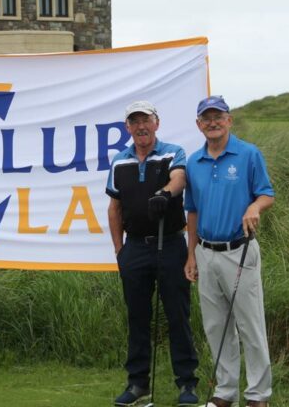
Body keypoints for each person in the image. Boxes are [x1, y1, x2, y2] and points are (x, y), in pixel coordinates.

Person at [106, 101, 200, 407]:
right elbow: (115, 207)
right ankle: (138, 384)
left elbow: (180, 179)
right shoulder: (120, 161)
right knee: (138, 317)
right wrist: (120, 251)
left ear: (156, 123)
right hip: (135, 247)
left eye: (145, 120)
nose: (140, 126)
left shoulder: (173, 152)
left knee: (177, 315)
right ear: (128, 128)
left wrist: (164, 194)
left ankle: (186, 383)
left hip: (170, 243)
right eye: (134, 122)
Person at [183, 95, 275, 407]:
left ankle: (258, 395)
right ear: (198, 124)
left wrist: (254, 206)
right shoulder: (194, 162)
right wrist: (191, 254)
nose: (212, 122)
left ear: (229, 120)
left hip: (240, 250)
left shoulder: (248, 154)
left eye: (218, 116)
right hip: (206, 252)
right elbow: (191, 212)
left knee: (250, 325)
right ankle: (225, 392)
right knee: (216, 326)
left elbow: (266, 194)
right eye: (206, 118)